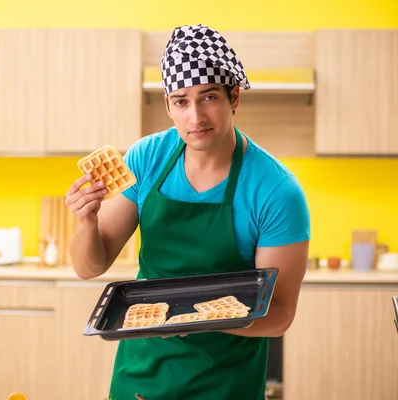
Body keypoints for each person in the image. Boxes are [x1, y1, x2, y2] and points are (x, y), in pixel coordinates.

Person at [65, 23, 310, 400]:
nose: (195, 117)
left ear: (233, 98)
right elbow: (89, 267)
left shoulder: (276, 190)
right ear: (168, 106)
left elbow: (278, 315)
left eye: (208, 96)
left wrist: (196, 320)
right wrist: (86, 221)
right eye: (180, 101)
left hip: (226, 382)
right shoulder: (147, 158)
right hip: (142, 376)